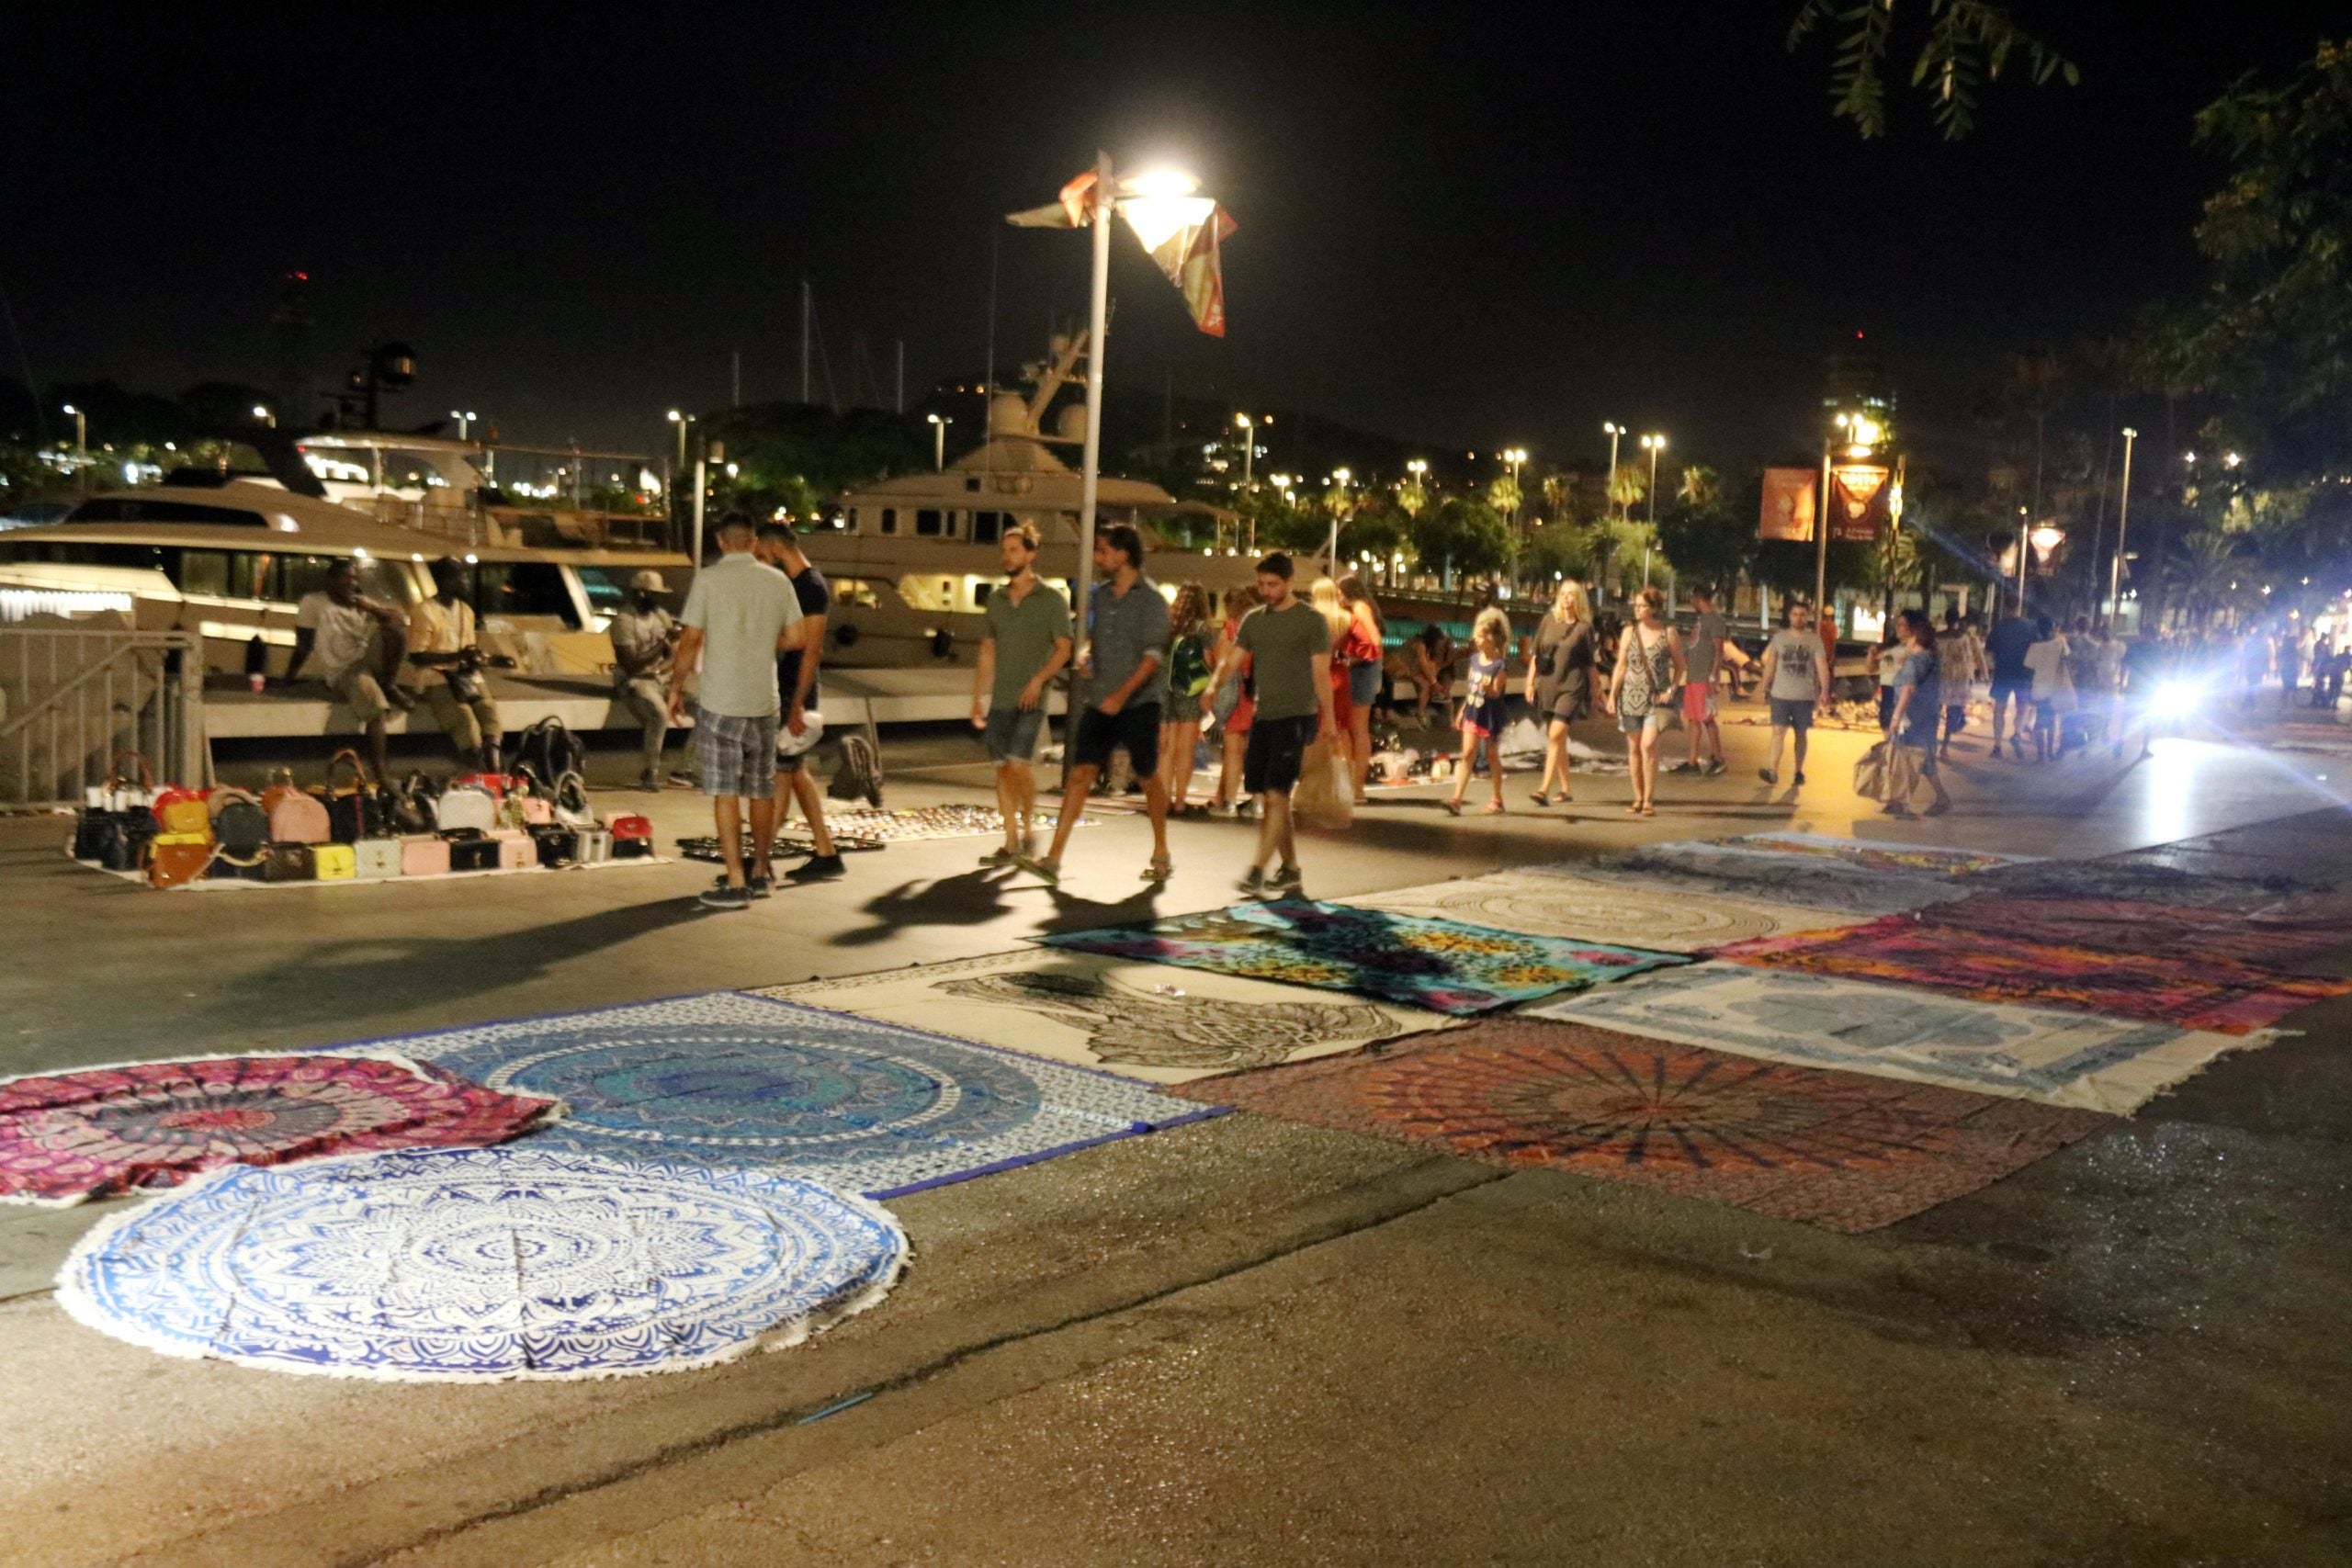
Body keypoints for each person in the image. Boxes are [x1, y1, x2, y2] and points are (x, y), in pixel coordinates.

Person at [665, 513, 807, 911]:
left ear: (722, 542)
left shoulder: (708, 580)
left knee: (725, 791)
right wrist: (763, 640)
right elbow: (797, 637)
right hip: (764, 701)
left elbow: (691, 638)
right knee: (761, 790)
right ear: (753, 541)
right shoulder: (777, 581)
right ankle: (761, 870)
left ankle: (735, 880)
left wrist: (675, 689)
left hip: (720, 702)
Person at [1029, 525, 1172, 885]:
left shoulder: (1151, 599)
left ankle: (1161, 850)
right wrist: (1088, 654)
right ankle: (1053, 858)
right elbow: (1096, 639)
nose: (1098, 557)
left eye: (1104, 550)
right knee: (1080, 774)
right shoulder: (1102, 595)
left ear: (1124, 554)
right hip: (1100, 699)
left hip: (1139, 703)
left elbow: (1153, 657)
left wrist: (1121, 696)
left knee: (1148, 775)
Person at [1211, 552, 1334, 895]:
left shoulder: (1311, 621)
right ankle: (1290, 867)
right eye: (1261, 584)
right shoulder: (1254, 620)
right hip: (1264, 716)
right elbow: (1232, 661)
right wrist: (1212, 686)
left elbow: (1321, 674)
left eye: (1273, 584)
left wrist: (1330, 722)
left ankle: (1257, 869)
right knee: (1269, 796)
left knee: (1278, 792)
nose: (1266, 590)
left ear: (1290, 582)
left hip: (1298, 716)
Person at [970, 522, 1073, 867]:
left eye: (1014, 550)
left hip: (1031, 699)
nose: (1007, 556)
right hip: (1000, 698)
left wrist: (1039, 680)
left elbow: (1064, 648)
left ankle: (1029, 827)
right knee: (1002, 769)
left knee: (1018, 763)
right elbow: (987, 650)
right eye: (1004, 550)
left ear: (1031, 554)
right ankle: (1011, 841)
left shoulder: (1051, 600)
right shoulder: (996, 600)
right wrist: (977, 697)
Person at [756, 524, 843, 883]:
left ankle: (760, 863)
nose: (761, 558)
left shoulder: (810, 587)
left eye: (762, 551)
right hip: (792, 690)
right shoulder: (802, 584)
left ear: (776, 548)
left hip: (795, 692)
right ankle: (826, 852)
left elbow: (811, 648)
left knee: (779, 773)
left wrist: (797, 704)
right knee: (795, 772)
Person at [286, 558, 410, 780]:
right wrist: (289, 677)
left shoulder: (360, 602)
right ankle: (382, 774)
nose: (352, 583)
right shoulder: (313, 603)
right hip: (345, 669)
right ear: (331, 581)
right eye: (347, 578)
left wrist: (368, 606)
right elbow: (304, 644)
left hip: (368, 660)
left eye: (355, 578)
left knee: (395, 630)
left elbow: (399, 621)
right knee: (376, 710)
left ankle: (388, 684)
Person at [402, 558, 504, 775]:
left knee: (489, 711)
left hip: (466, 676)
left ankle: (495, 771)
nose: (466, 581)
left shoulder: (466, 611)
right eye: (461, 576)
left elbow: (468, 646)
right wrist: (458, 655)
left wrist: (474, 657)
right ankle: (479, 771)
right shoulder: (425, 611)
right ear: (446, 581)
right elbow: (417, 656)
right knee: (464, 717)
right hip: (436, 677)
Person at [1605, 585, 1685, 817]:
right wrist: (1612, 695)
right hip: (1630, 696)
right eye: (1636, 605)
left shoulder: (1668, 632)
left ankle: (1649, 799)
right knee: (1633, 748)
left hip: (1655, 698)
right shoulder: (1629, 632)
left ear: (1654, 608)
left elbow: (1680, 666)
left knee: (1648, 745)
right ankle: (1638, 797)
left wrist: (1672, 689)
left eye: (1642, 605)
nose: (1637, 609)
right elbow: (1621, 665)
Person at [1524, 580, 1595, 806]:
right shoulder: (1548, 621)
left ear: (1579, 600)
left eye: (1572, 594)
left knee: (1555, 735)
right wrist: (1529, 682)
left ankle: (1543, 789)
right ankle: (1565, 789)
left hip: (1571, 687)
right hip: (1548, 685)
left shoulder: (1584, 629)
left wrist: (1598, 693)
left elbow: (1589, 663)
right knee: (1559, 739)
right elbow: (1537, 655)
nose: (1567, 598)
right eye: (1563, 594)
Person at [609, 570, 679, 790]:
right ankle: (651, 771)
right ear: (640, 594)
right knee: (658, 714)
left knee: (709, 702)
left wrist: (662, 670)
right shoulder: (624, 620)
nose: (659, 599)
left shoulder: (660, 615)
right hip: (633, 679)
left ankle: (689, 768)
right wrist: (663, 641)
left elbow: (672, 654)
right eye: (654, 594)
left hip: (658, 676)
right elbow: (631, 663)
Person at [1881, 608, 1953, 818]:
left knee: (1910, 759)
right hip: (1926, 714)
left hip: (1912, 717)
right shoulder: (1931, 658)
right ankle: (1903, 801)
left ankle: (1902, 803)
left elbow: (1908, 689)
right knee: (1919, 758)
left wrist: (1896, 717)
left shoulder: (1916, 660)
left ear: (1915, 637)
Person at [1444, 607, 1511, 816]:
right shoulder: (1474, 661)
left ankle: (1497, 798)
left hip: (1490, 714)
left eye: (1481, 636)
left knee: (1492, 755)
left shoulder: (1499, 666)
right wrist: (1462, 708)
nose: (1476, 639)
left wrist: (1488, 687)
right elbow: (1470, 688)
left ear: (1491, 639)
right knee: (1467, 754)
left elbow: (1496, 692)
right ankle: (1457, 798)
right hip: (1473, 710)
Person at [1160, 583, 1216, 817]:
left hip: (1166, 689)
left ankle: (1162, 800)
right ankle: (1180, 801)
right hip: (1190, 691)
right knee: (1186, 749)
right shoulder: (1202, 628)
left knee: (1167, 748)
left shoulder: (1168, 626)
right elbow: (1210, 660)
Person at [1756, 600, 1822, 788]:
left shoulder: (1814, 640)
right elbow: (1770, 664)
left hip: (1804, 695)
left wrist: (1824, 690)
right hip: (1781, 694)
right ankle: (1772, 770)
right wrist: (1763, 688)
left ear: (1807, 617)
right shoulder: (1779, 639)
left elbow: (1821, 666)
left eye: (1802, 614)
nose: (1799, 618)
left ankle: (1798, 771)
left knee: (1801, 733)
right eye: (1795, 614)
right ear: (1789, 617)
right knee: (1778, 731)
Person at [1204, 585, 1257, 817]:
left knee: (1232, 751)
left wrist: (1212, 688)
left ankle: (1230, 802)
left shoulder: (1231, 629)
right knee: (1253, 751)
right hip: (1255, 692)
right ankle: (1256, 801)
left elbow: (1222, 663)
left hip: (1235, 694)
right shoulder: (1259, 628)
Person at [1671, 583, 1734, 776]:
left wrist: (1713, 677)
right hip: (1694, 676)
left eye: (1692, 598)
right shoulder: (1701, 621)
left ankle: (1719, 758)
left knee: (1707, 718)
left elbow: (1718, 651)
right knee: (1693, 718)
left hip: (1704, 677)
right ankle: (1692, 761)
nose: (1691, 602)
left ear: (1698, 598)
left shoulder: (1714, 621)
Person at [1337, 577, 1385, 804]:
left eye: (1339, 591)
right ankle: (1356, 787)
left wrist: (1351, 659)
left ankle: (1354, 786)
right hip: (1367, 669)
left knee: (1352, 728)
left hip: (1360, 669)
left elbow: (1373, 641)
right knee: (1358, 729)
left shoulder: (1359, 608)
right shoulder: (1365, 607)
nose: (1337, 596)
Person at [1984, 599, 2038, 760]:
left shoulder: (1999, 627)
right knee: (2023, 708)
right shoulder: (2030, 627)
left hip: (2003, 672)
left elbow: (1989, 650)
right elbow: (2036, 648)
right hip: (2024, 673)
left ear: (2005, 608)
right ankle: (2017, 733)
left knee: (1999, 709)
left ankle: (1997, 746)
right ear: (2019, 607)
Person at [1935, 609, 1988, 760]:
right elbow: (1979, 657)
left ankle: (1934, 746)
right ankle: (1945, 747)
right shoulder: (1968, 637)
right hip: (1960, 679)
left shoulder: (1938, 637)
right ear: (1958, 620)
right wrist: (1984, 675)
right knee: (1954, 713)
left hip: (1942, 678)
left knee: (1936, 712)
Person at [2022, 615, 2074, 761]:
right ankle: (2050, 751)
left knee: (2039, 721)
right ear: (2053, 628)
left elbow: (2029, 667)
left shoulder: (2034, 647)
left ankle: (2040, 755)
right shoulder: (2060, 644)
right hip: (2054, 688)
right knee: (2051, 720)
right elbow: (2067, 658)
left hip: (2039, 687)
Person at [1410, 624, 1454, 728]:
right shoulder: (1420, 644)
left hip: (1428, 671)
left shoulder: (1439, 647)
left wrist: (1434, 679)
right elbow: (1423, 664)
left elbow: (1435, 664)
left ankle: (1450, 720)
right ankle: (1420, 714)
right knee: (1426, 685)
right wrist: (1433, 682)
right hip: (1407, 668)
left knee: (1442, 688)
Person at [1867, 623, 1904, 734]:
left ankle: (1891, 745)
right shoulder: (1885, 651)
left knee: (1891, 723)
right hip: (1888, 689)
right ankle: (1890, 745)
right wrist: (1871, 654)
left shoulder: (1908, 649)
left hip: (1899, 689)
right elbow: (1871, 669)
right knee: (1887, 723)